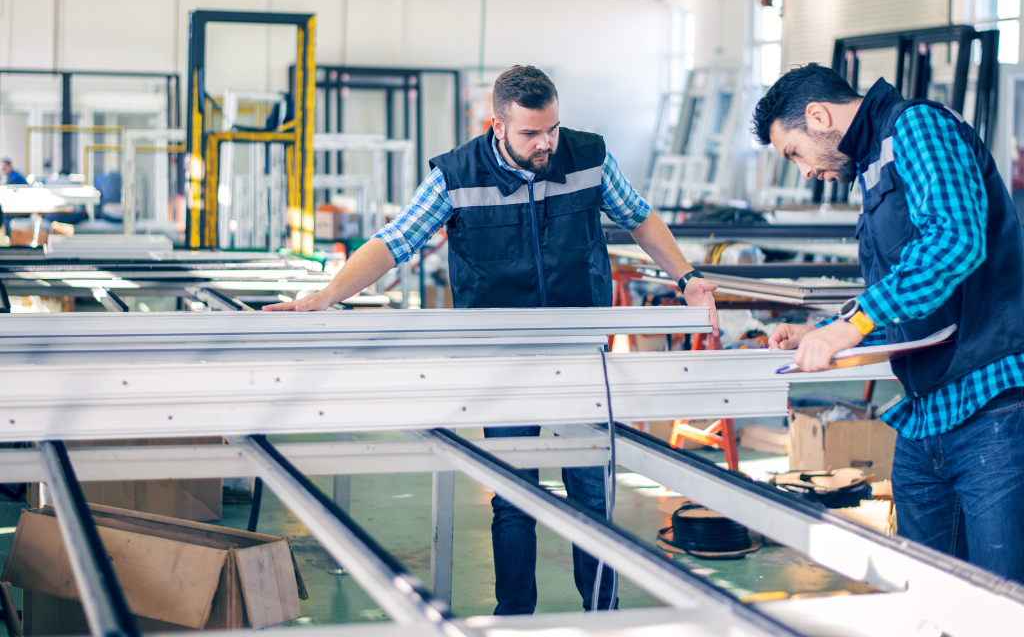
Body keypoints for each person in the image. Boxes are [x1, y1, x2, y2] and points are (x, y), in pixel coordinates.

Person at [267, 64, 719, 612]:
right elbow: (395, 241)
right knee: (513, 498)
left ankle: (603, 616)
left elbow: (640, 218)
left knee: (592, 494)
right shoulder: (456, 176)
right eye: (531, 133)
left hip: (580, 353)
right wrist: (325, 297)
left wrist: (688, 278)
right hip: (503, 359)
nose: (546, 143)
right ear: (497, 125)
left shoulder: (589, 157)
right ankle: (514, 620)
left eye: (552, 128)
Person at [752, 62, 1024, 584]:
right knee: (923, 593)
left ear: (818, 115)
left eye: (794, 152)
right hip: (927, 417)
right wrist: (827, 331)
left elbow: (955, 242)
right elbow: (910, 293)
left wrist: (852, 323)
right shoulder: (874, 164)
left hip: (990, 408)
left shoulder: (917, 128)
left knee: (1001, 601)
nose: (804, 171)